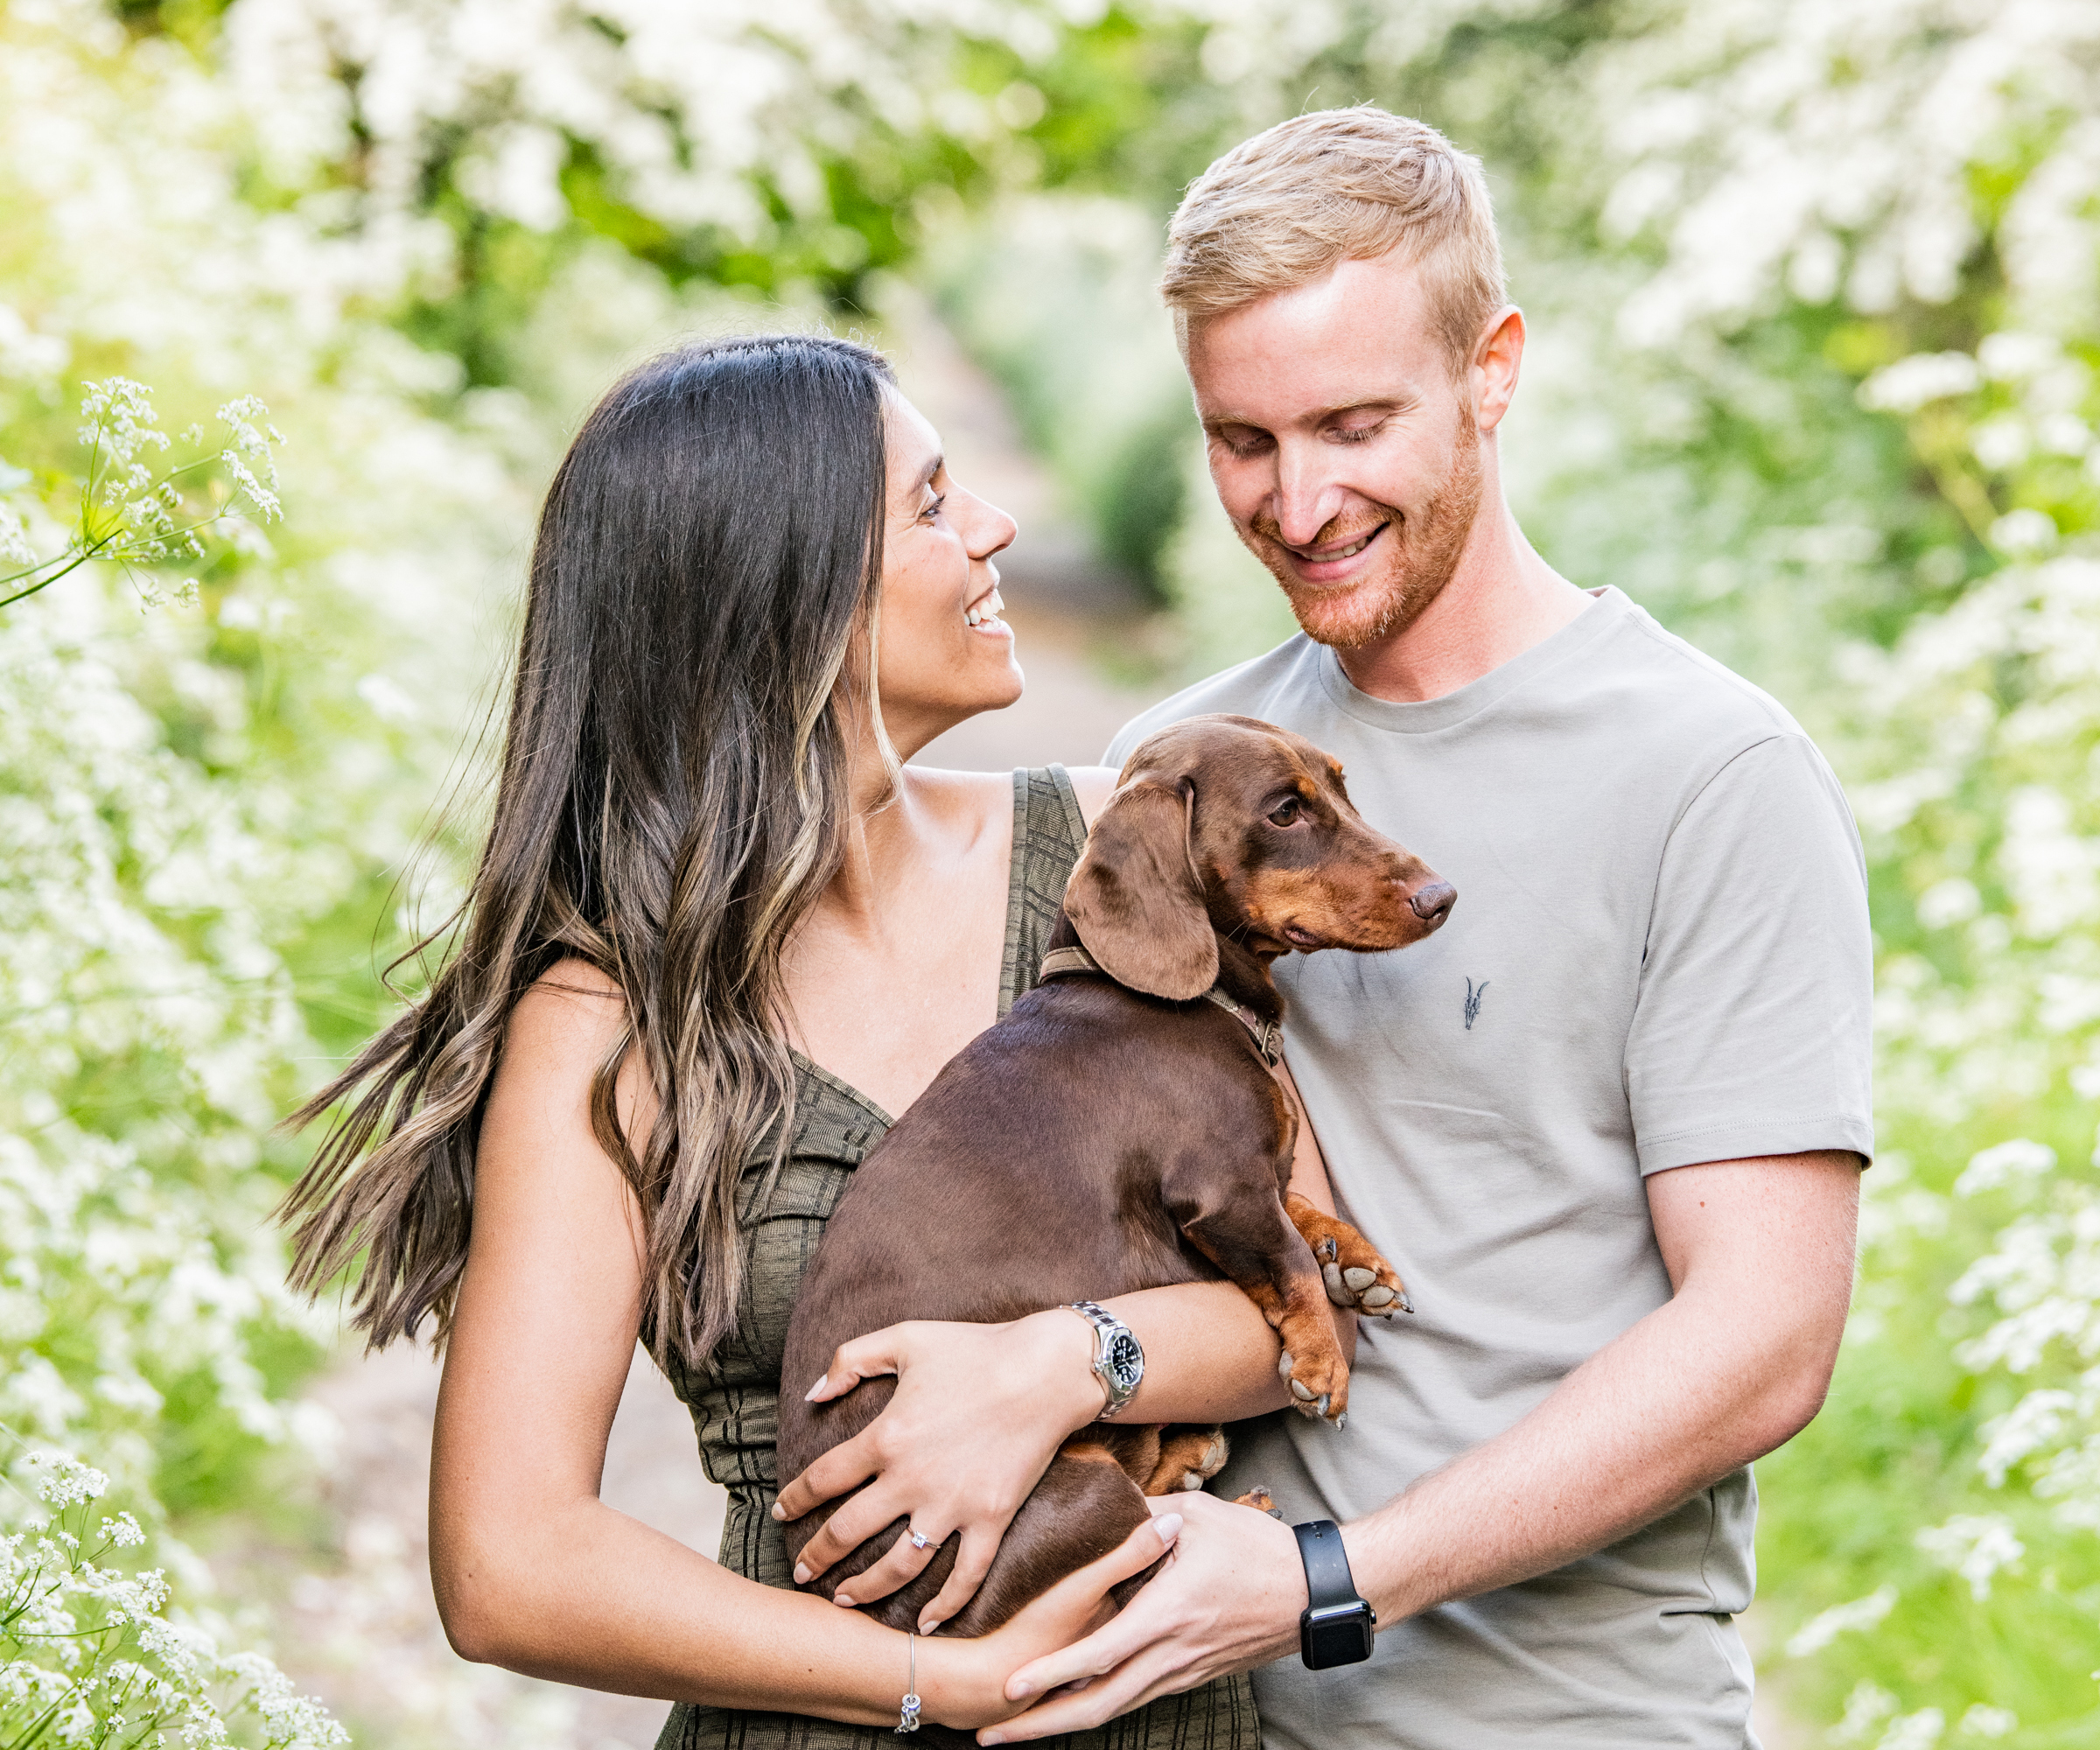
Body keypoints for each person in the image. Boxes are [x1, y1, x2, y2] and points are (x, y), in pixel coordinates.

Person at [277, 333, 1364, 1749]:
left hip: (1161, 1711)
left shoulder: (1117, 856)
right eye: (928, 504)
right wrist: (948, 1685)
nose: (994, 527)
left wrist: (1068, 1363)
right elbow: (507, 1565)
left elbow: (1300, 1300)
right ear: (782, 596)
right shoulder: (609, 1029)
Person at [951, 105, 1873, 1749]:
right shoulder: (1183, 765)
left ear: (1493, 370)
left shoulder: (1712, 773)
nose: (1297, 503)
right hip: (1187, 1712)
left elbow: (1762, 1341)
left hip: (1565, 1716)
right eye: (1243, 440)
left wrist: (1330, 1575)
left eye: (1353, 423)